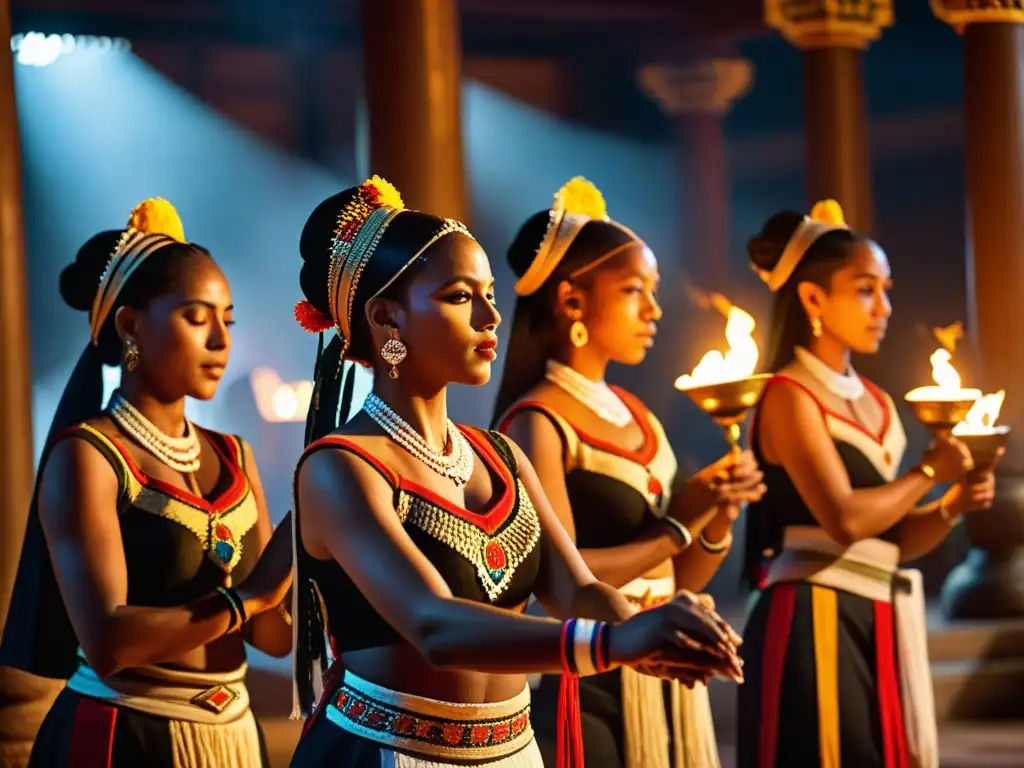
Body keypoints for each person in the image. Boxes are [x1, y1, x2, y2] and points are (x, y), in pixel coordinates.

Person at [285, 176, 744, 768]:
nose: (490, 315)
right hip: (388, 752)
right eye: (458, 296)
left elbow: (576, 590)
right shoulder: (340, 466)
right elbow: (434, 625)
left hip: (514, 751)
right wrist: (612, 642)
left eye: (490, 294)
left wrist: (648, 630)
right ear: (386, 319)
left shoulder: (501, 455)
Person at [0, 199, 294, 768]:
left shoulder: (234, 456)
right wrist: (249, 597)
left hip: (234, 732)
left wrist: (312, 565)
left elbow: (272, 639)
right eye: (195, 316)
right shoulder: (88, 455)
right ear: (130, 325)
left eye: (227, 320)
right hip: (124, 734)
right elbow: (109, 642)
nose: (219, 341)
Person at [491, 177, 765, 768]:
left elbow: (680, 573)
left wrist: (715, 517)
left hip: (663, 660)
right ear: (571, 302)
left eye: (655, 291)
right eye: (635, 290)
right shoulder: (535, 421)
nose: (654, 310)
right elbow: (563, 581)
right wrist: (676, 525)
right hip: (589, 672)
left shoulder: (639, 416)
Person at [736, 200, 1000, 768]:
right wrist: (929, 472)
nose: (883, 306)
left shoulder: (877, 402)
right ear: (812, 298)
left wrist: (950, 505)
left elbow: (894, 540)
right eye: (864, 289)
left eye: (885, 289)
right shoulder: (787, 395)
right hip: (811, 613)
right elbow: (846, 519)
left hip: (876, 609)